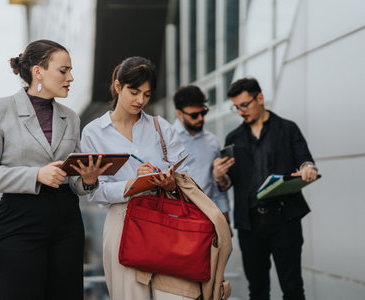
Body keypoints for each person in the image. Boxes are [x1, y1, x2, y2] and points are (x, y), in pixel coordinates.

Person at [0, 39, 110, 300]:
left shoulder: (71, 116)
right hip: (20, 221)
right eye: (63, 70)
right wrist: (36, 174)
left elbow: (75, 181)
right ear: (38, 72)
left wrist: (89, 179)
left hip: (67, 223)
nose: (70, 77)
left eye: (70, 71)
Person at [80, 56, 192, 300]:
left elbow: (185, 175)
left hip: (164, 216)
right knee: (130, 295)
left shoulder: (160, 127)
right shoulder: (94, 133)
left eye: (147, 94)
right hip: (122, 221)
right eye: (134, 92)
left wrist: (169, 181)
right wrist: (132, 184)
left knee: (175, 295)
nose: (141, 100)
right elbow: (95, 192)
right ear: (118, 87)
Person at [213, 78, 319, 300]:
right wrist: (219, 176)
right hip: (250, 225)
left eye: (244, 105)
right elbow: (227, 184)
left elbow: (305, 160)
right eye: (236, 107)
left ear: (259, 98)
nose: (240, 112)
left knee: (293, 290)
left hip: (285, 220)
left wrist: (308, 168)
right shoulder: (233, 138)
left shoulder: (288, 128)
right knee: (258, 291)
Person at [172, 85, 230, 219]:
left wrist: (224, 218)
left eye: (203, 113)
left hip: (208, 217)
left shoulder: (212, 141)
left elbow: (217, 187)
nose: (200, 118)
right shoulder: (166, 139)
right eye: (194, 115)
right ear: (179, 113)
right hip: (176, 218)